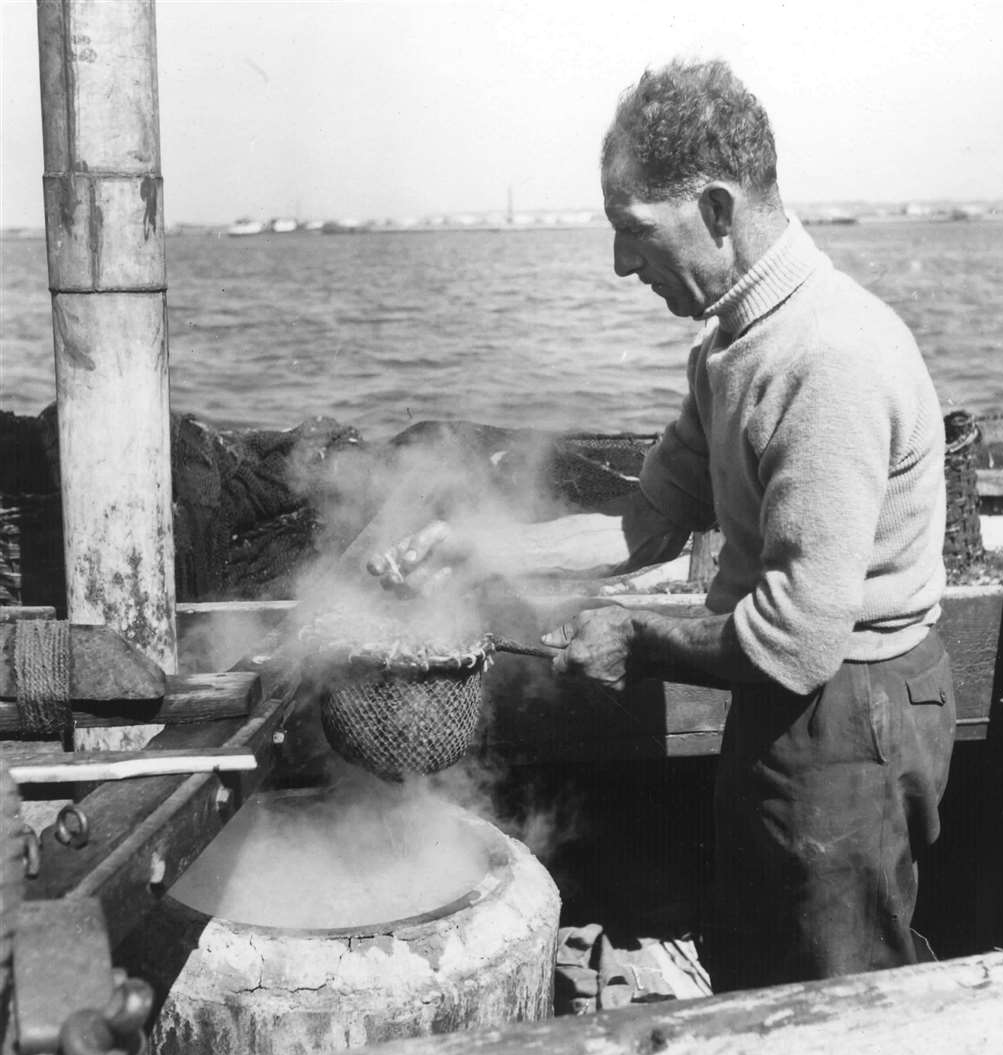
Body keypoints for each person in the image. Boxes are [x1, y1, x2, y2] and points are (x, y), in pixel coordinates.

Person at [368, 58, 956, 992]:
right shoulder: (729, 345)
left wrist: (634, 636)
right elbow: (646, 523)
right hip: (782, 696)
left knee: (843, 989)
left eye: (633, 232)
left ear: (717, 209)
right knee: (762, 964)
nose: (618, 265)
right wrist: (482, 548)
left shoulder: (827, 361)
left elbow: (798, 640)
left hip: (851, 708)